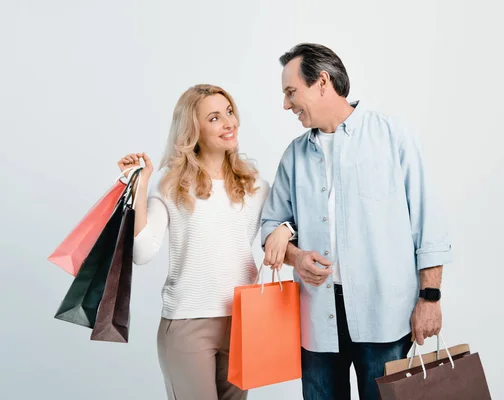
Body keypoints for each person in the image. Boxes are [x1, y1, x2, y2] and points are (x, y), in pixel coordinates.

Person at [261, 43, 453, 399]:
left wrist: (430, 297)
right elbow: (271, 225)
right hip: (317, 318)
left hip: (385, 314)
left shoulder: (392, 136)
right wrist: (296, 257)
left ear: (322, 82)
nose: (286, 105)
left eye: (291, 92)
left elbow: (428, 224)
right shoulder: (294, 155)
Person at [117, 84, 293, 400]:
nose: (229, 123)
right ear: (193, 130)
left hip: (244, 322)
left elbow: (286, 226)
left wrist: (286, 229)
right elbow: (142, 252)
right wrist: (141, 186)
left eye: (229, 112)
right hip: (187, 324)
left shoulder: (255, 186)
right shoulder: (172, 186)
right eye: (214, 118)